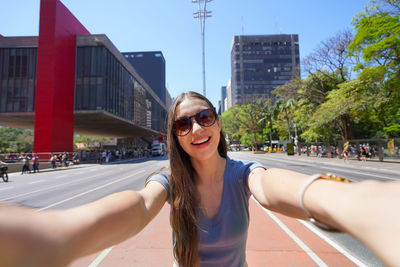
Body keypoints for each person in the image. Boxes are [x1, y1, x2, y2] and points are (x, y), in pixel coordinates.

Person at [0, 91, 399, 267]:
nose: (196, 128)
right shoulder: (169, 181)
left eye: (204, 116)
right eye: (183, 123)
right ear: (175, 135)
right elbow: (139, 206)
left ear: (218, 122)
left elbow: (271, 188)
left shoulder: (244, 174)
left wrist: (350, 202)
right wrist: (61, 232)